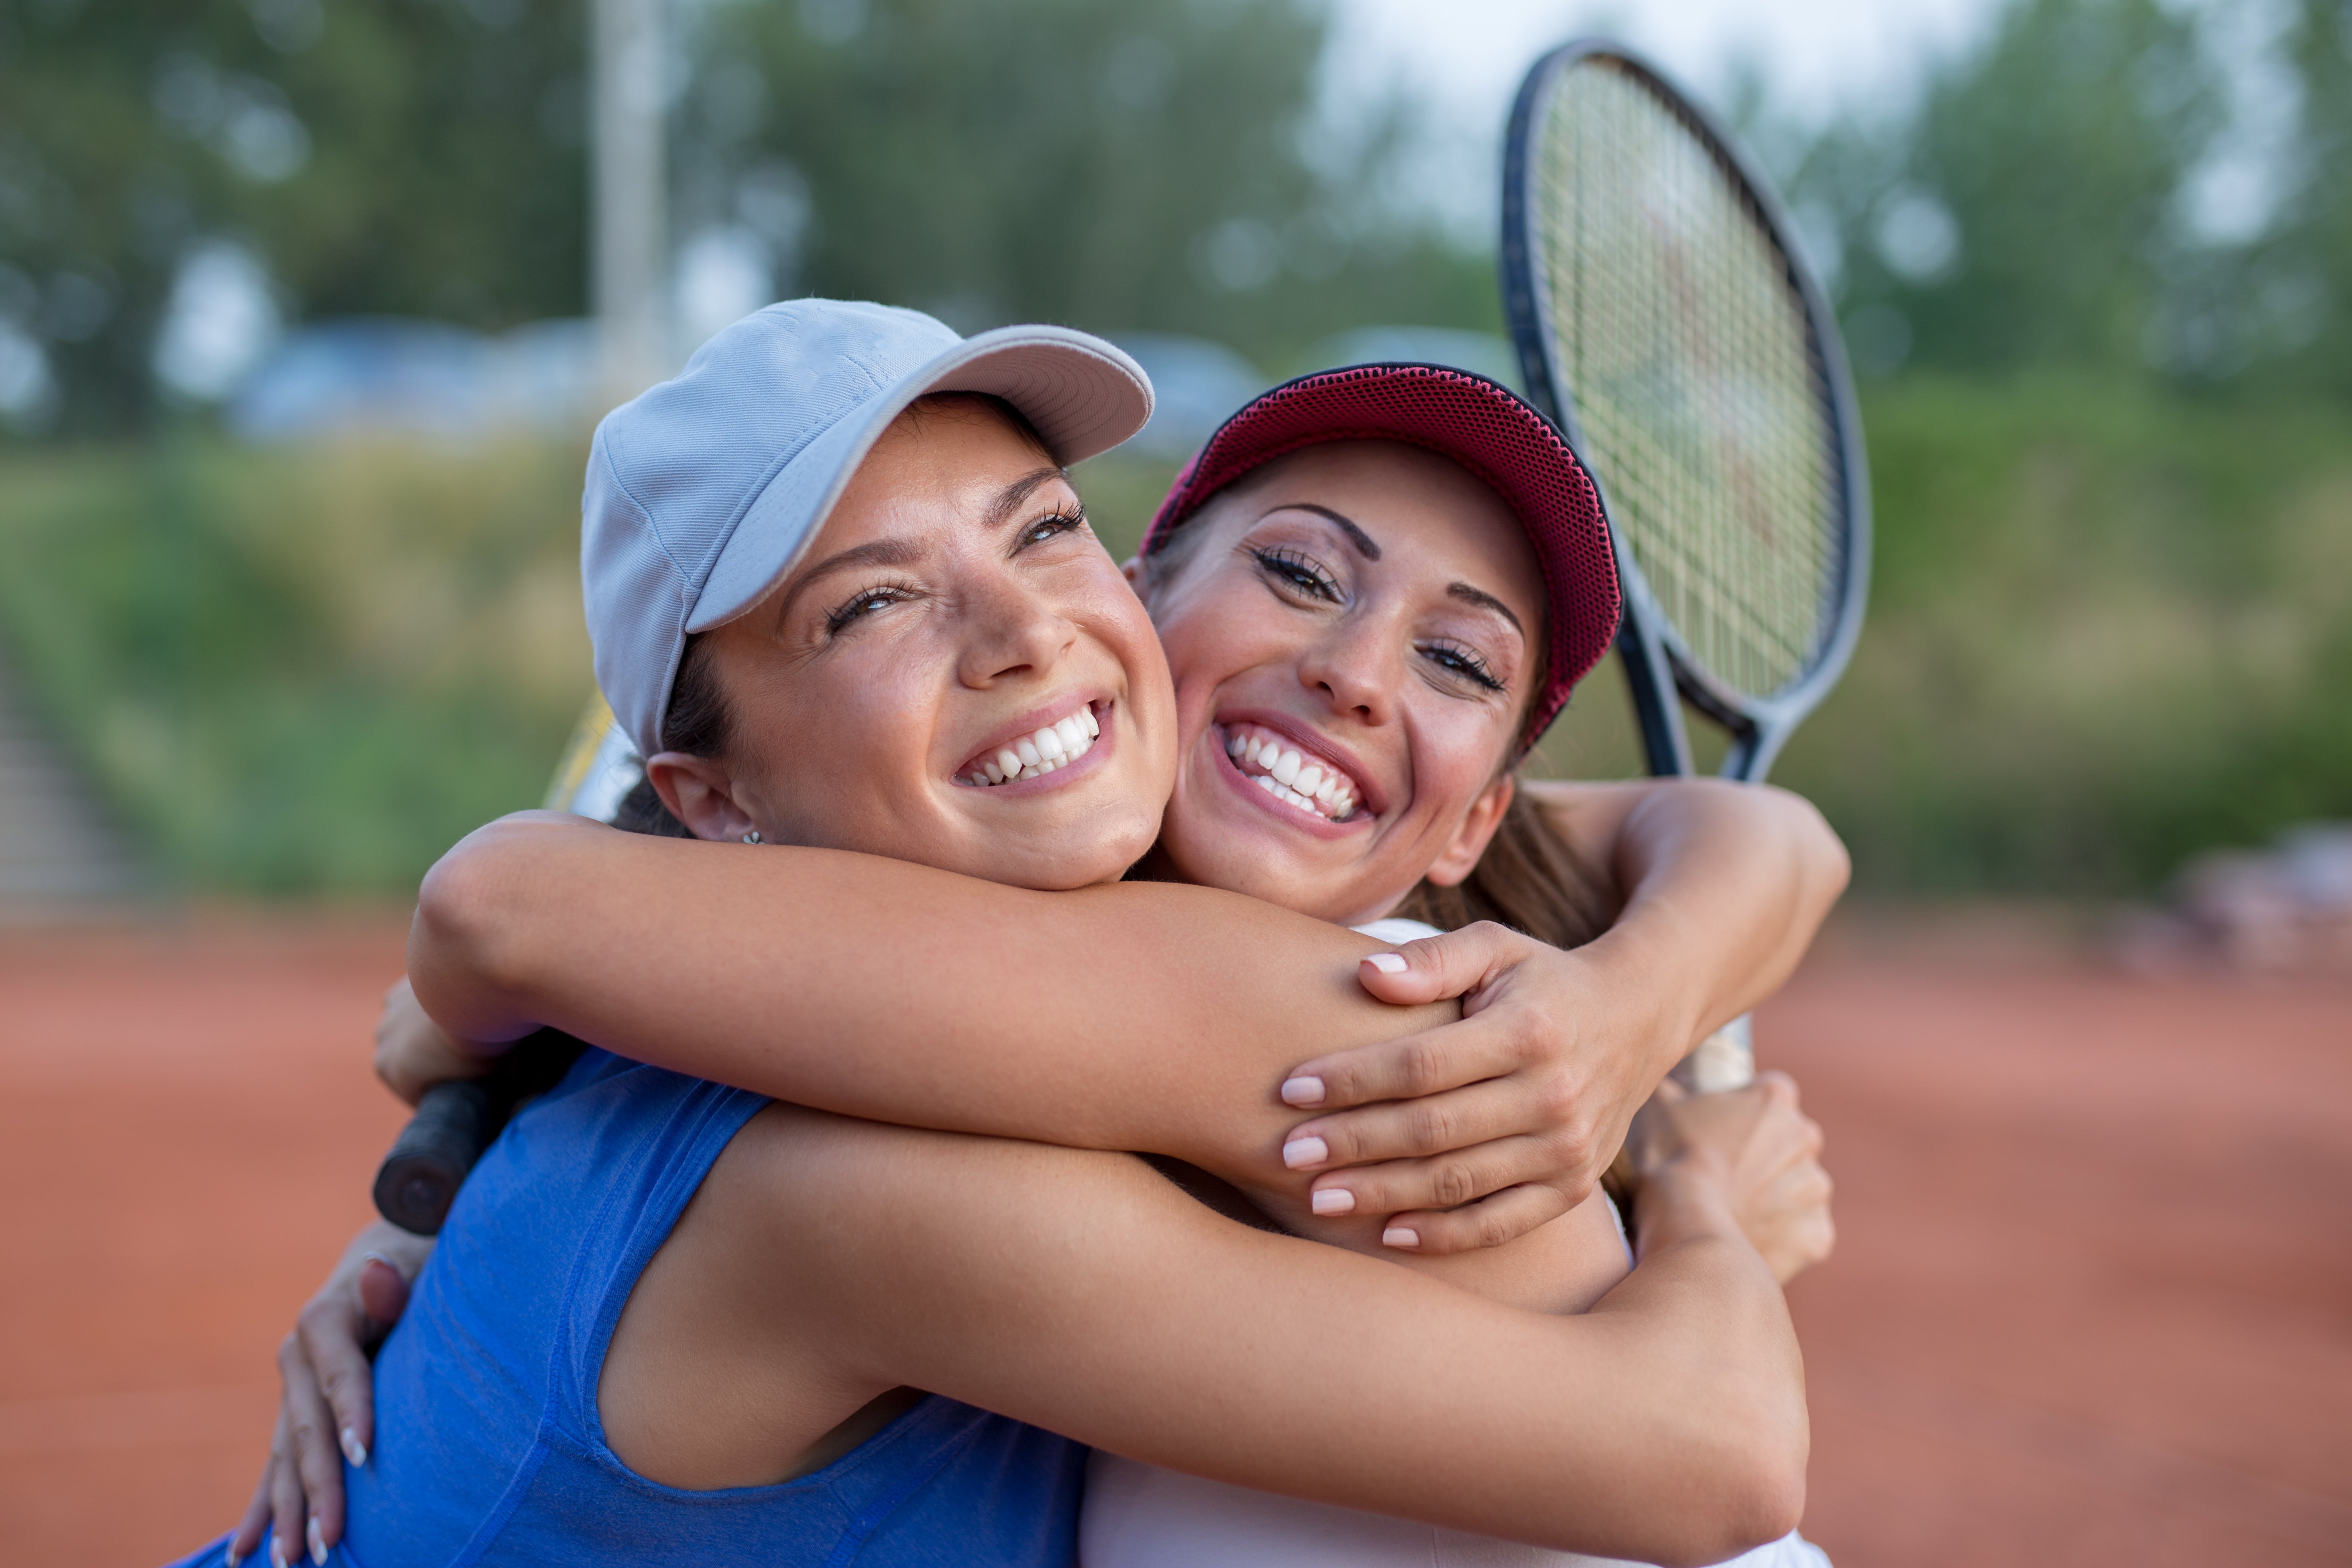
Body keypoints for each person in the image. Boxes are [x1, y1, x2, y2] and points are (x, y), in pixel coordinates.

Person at [211, 303, 1841, 1568]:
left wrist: (1641, 1000)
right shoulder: (1297, 1036)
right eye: (870, 604)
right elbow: (1710, 1439)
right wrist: (1703, 1206)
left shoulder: (698, 996)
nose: (1025, 634)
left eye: (1041, 529)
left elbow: (1757, 839)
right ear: (707, 804)